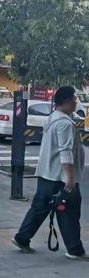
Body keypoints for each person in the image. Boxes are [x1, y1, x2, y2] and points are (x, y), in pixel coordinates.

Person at [12, 86, 88, 260]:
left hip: (47, 174)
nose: (77, 102)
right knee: (70, 212)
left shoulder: (52, 118)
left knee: (39, 208)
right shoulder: (64, 123)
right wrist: (69, 178)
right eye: (75, 99)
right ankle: (75, 249)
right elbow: (65, 151)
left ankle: (22, 238)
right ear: (68, 101)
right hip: (61, 177)